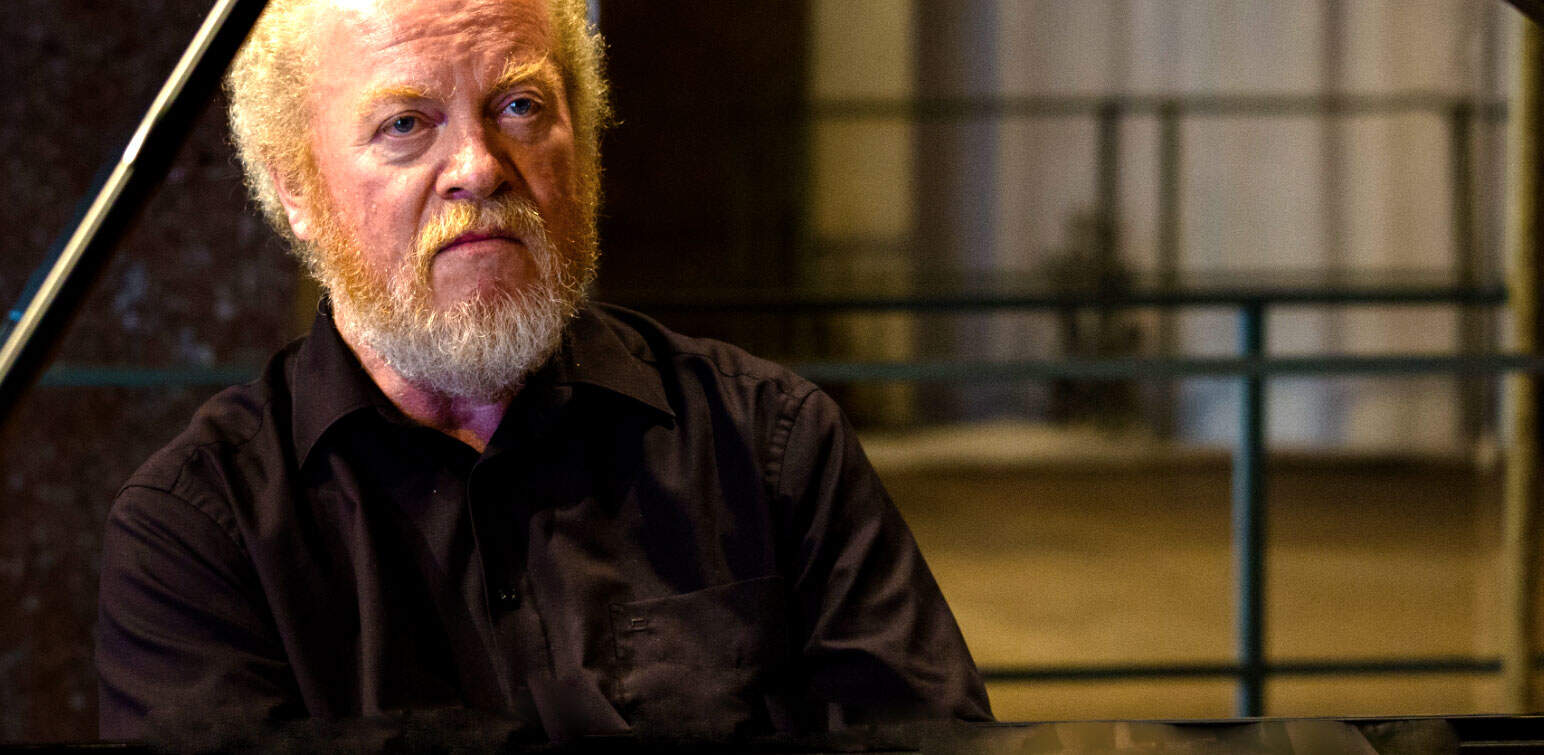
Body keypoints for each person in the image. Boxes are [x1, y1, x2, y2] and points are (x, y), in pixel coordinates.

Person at [95, 0, 991, 742]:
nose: (479, 168)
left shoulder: (771, 444)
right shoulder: (198, 532)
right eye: (406, 125)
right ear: (296, 186)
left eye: (520, 106)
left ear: (584, 144)